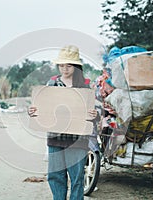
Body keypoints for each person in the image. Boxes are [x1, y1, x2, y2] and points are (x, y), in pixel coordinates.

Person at [28, 45, 98, 200]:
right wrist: (32, 111)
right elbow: (41, 107)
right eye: (61, 65)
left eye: (68, 65)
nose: (64, 69)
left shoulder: (85, 86)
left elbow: (94, 113)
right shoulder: (52, 84)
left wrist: (94, 113)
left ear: (76, 66)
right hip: (55, 138)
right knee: (56, 176)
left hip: (78, 139)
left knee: (77, 179)